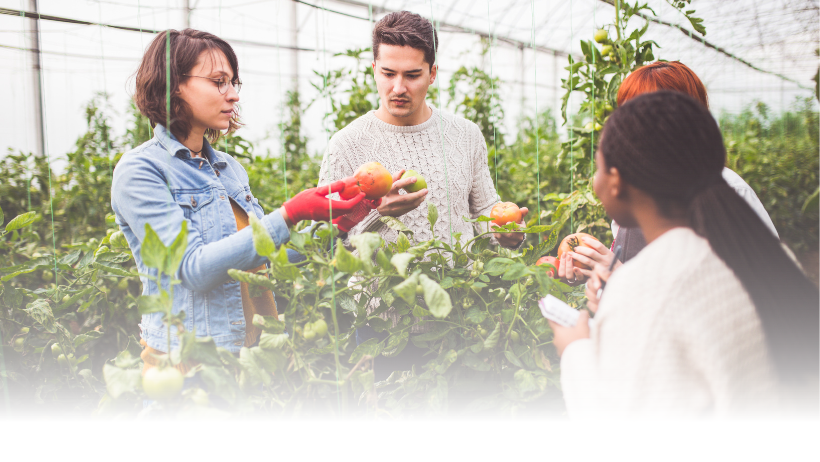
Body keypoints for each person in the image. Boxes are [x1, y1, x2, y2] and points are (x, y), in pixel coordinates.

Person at [111, 29, 374, 372]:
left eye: (234, 83)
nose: (233, 95)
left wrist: (339, 226)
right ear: (174, 85)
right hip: (191, 367)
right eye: (219, 82)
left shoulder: (228, 168)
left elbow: (267, 259)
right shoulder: (140, 171)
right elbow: (194, 269)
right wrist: (290, 213)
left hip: (253, 356)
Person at [549, 91, 819, 417]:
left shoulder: (644, 285)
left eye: (598, 167)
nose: (595, 180)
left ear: (616, 181)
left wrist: (575, 349)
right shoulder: (765, 254)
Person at [316, 11, 526, 380]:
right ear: (374, 69)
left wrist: (506, 232)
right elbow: (327, 239)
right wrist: (379, 213)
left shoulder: (465, 135)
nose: (399, 87)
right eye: (388, 73)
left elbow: (484, 209)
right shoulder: (347, 145)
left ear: (432, 73)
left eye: (412, 75)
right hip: (382, 323)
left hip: (458, 315)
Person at [557, 61, 778, 285]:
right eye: (626, 111)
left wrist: (622, 279)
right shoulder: (633, 189)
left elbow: (759, 289)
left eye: (646, 113)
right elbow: (633, 264)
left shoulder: (730, 190)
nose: (628, 124)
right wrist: (597, 273)